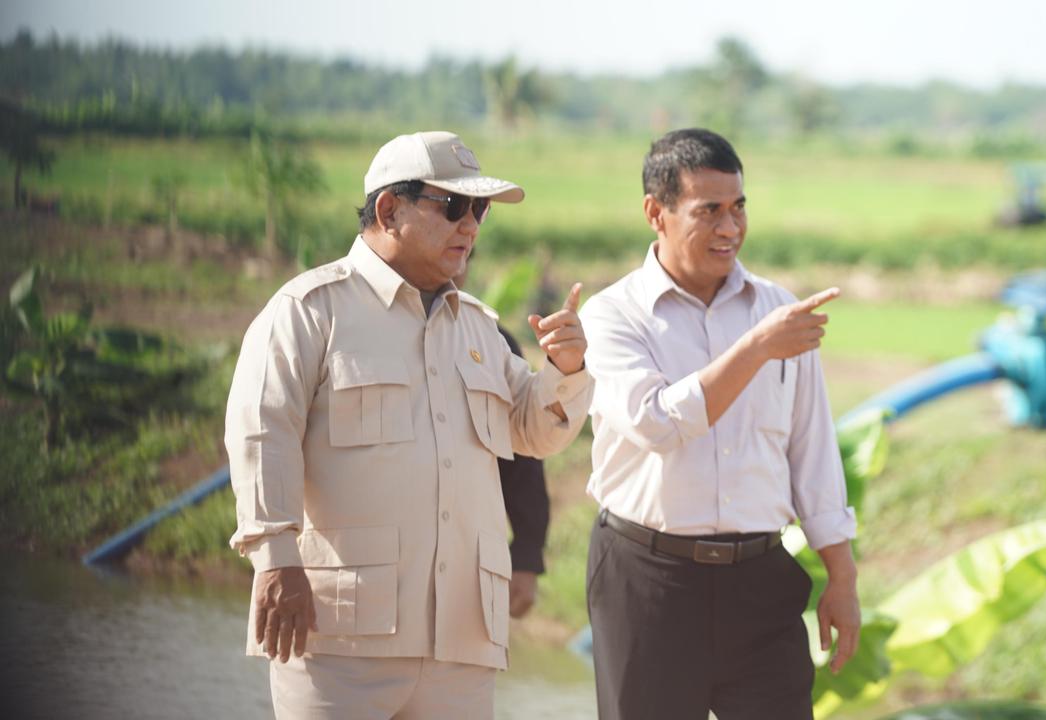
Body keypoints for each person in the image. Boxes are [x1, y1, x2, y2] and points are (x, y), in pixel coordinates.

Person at [225, 130, 593, 720]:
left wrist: (565, 368)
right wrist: (275, 558)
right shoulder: (309, 310)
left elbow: (534, 433)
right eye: (453, 206)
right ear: (389, 210)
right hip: (339, 640)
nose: (470, 225)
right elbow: (262, 432)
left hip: (461, 644)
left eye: (479, 210)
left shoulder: (476, 327)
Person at [578, 128, 861, 720]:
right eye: (709, 211)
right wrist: (756, 348)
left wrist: (842, 576)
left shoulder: (778, 310)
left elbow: (812, 451)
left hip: (760, 584)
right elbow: (655, 423)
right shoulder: (611, 317)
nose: (730, 228)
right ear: (656, 213)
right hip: (646, 582)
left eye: (738, 208)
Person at [454, 255, 551, 618]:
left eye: (466, 255)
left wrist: (526, 554)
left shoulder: (490, 340)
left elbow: (523, 461)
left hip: (469, 563)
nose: (456, 263)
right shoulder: (345, 324)